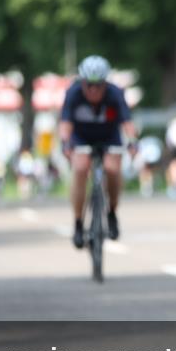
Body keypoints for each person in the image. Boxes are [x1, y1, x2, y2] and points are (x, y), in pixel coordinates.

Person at [59, 55, 137, 248]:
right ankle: (78, 222)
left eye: (98, 85)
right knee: (80, 168)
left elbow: (127, 123)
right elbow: (65, 124)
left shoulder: (115, 94)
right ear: (82, 82)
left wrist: (133, 142)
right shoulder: (73, 93)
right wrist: (65, 143)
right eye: (89, 85)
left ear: (105, 83)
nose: (93, 90)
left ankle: (111, 212)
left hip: (109, 137)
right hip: (81, 137)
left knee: (112, 169)